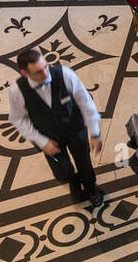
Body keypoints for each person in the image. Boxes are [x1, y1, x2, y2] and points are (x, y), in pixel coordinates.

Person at [6, 47, 104, 209]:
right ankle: (73, 182)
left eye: (45, 66)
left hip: (75, 128)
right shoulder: (17, 90)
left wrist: (94, 133)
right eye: (38, 72)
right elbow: (18, 119)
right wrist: (42, 142)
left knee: (84, 162)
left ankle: (91, 188)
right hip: (48, 137)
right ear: (25, 73)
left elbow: (85, 102)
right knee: (62, 171)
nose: (45, 74)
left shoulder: (65, 74)